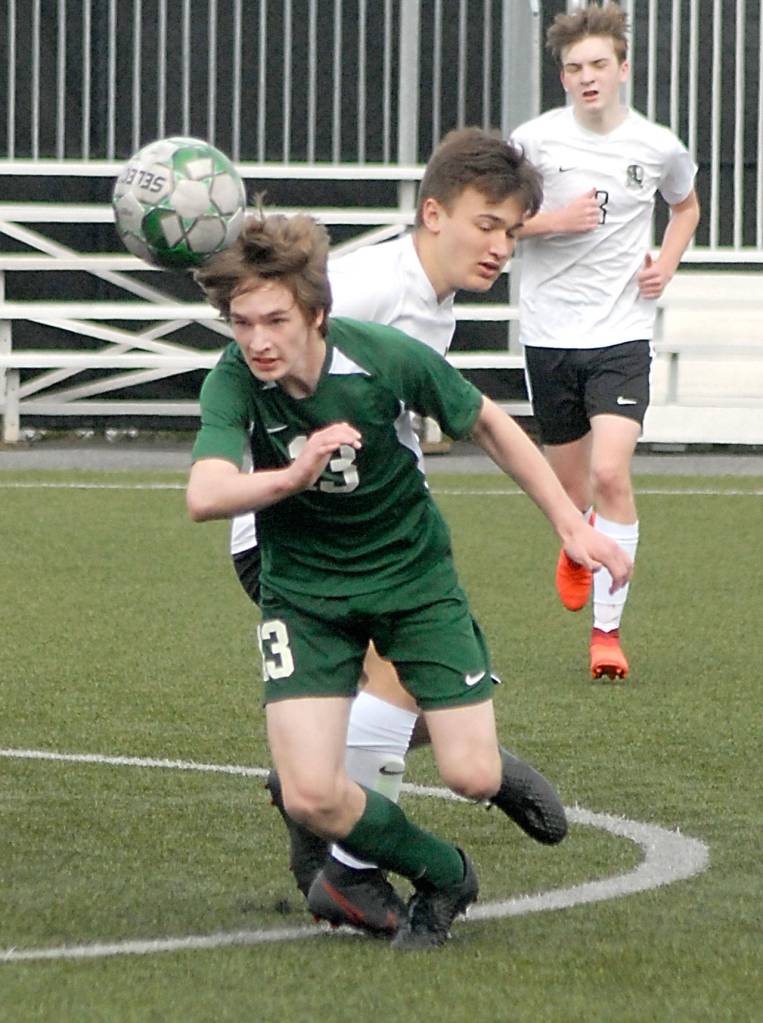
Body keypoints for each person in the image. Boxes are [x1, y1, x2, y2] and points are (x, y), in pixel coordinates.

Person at [186, 209, 633, 949]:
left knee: (469, 771)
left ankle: (486, 771)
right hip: (303, 595)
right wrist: (292, 474)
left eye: (274, 319)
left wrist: (568, 521)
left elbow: (486, 422)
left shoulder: (381, 356)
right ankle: (443, 872)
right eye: (241, 322)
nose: (258, 340)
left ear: (316, 313)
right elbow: (204, 494)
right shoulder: (234, 379)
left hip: (411, 580)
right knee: (308, 791)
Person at [227, 129, 568, 934]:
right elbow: (257, 359)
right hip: (295, 532)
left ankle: (328, 823)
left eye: (512, 232)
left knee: (390, 689)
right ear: (432, 212)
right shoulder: (366, 285)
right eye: (487, 224)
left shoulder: (431, 298)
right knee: (400, 678)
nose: (499, 247)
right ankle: (342, 857)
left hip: (369, 530)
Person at [511, 1, 700, 680]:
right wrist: (553, 220)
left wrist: (666, 262)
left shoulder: (655, 145)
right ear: (560, 77)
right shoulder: (530, 141)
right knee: (571, 491)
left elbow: (685, 206)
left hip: (620, 331)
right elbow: (493, 221)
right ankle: (575, 533)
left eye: (598, 64)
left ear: (622, 67)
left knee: (611, 472)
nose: (586, 76)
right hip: (548, 333)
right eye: (573, 67)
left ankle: (605, 636)